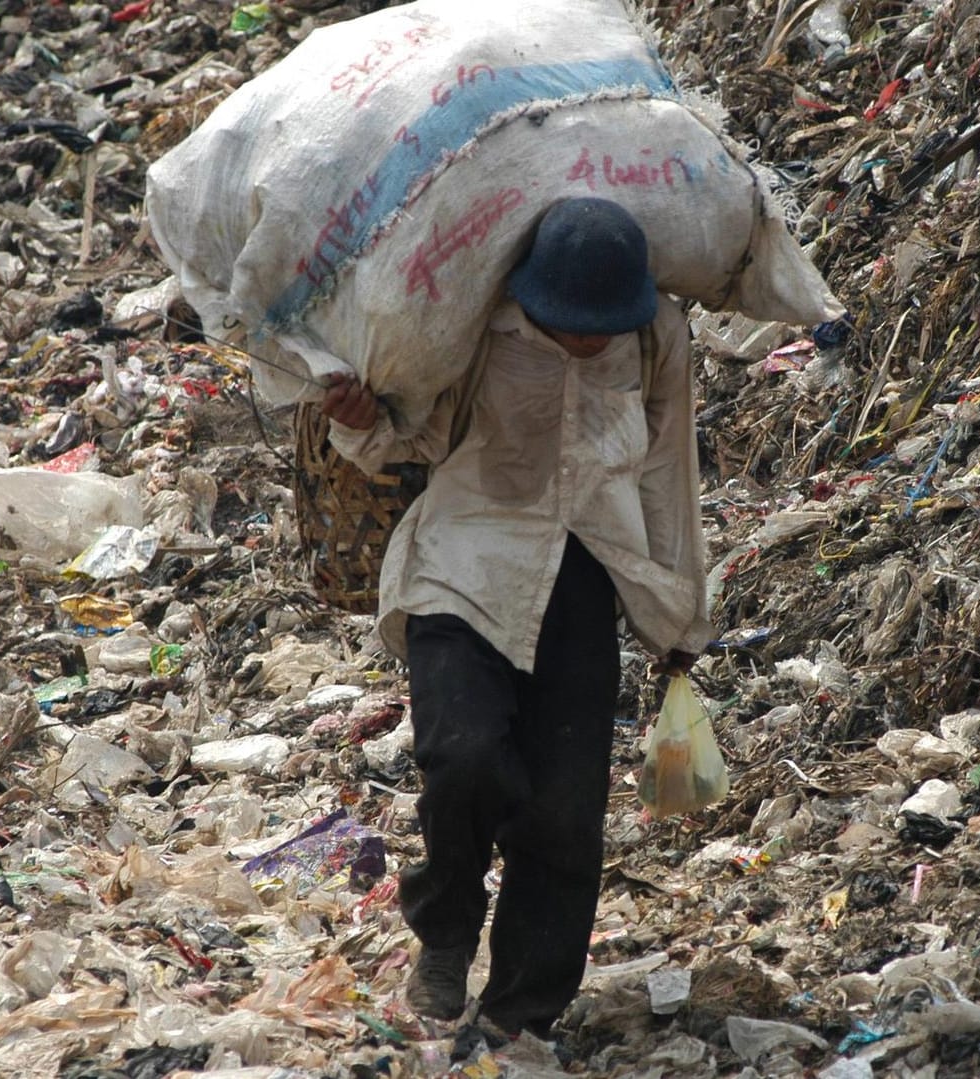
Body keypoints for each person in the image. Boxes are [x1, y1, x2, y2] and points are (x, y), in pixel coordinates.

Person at [319, 196, 711, 1039]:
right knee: (459, 757)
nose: (586, 340)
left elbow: (670, 470)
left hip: (585, 574)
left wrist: (679, 619)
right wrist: (361, 421)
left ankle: (519, 1015)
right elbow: (407, 433)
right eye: (572, 325)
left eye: (601, 327)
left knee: (565, 812)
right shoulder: (472, 321)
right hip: (464, 564)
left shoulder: (656, 336)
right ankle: (447, 934)